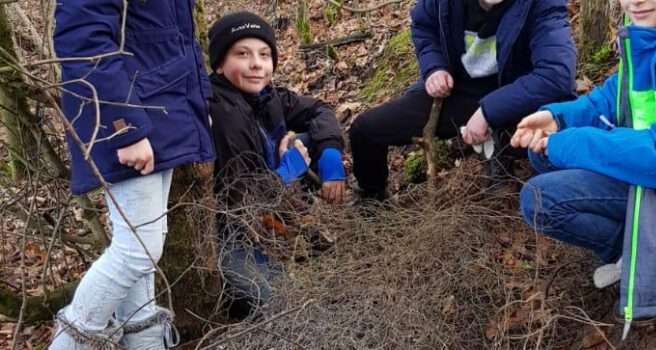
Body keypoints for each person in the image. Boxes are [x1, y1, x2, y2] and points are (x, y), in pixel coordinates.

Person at [513, 0, 656, 336]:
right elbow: (623, 92)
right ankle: (635, 246)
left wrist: (574, 142)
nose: (634, 1)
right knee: (545, 154)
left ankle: (647, 259)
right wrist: (560, 118)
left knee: (540, 199)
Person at [50, 1, 214, 349]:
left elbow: (171, 40)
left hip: (159, 111)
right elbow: (82, 43)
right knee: (138, 250)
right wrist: (124, 127)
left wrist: (198, 105)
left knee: (141, 250)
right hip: (132, 118)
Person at [349, 0, 577, 200]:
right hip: (457, 92)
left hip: (516, 96)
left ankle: (503, 154)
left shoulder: (541, 4)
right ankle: (373, 200)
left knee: (554, 131)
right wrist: (434, 67)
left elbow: (556, 74)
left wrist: (488, 111)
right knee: (365, 129)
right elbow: (423, 26)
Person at [207, 12, 346, 319]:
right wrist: (287, 171)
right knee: (283, 308)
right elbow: (240, 202)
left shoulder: (265, 96)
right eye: (242, 54)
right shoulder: (221, 112)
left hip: (269, 204)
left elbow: (319, 110)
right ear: (219, 63)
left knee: (312, 139)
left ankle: (297, 227)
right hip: (231, 235)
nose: (257, 64)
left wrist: (331, 156)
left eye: (265, 54)